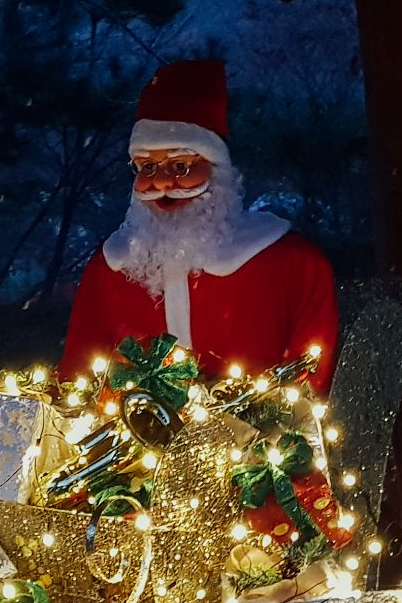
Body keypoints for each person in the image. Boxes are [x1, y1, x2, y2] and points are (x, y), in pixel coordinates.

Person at [59, 59, 339, 390]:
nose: (161, 183)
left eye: (180, 166)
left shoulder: (292, 263)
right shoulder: (110, 269)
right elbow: (77, 379)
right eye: (147, 168)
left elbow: (307, 383)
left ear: (218, 171)